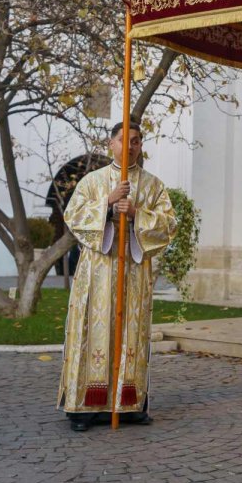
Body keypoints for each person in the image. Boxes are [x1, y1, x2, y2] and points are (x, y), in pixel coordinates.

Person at [58, 122, 176, 432]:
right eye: (125, 140)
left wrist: (138, 214)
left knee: (130, 334)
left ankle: (129, 405)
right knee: (92, 332)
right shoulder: (92, 181)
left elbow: (168, 225)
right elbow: (73, 217)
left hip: (134, 273)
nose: (131, 146)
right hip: (97, 271)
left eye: (137, 141)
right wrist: (107, 203)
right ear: (111, 144)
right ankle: (85, 407)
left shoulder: (153, 186)